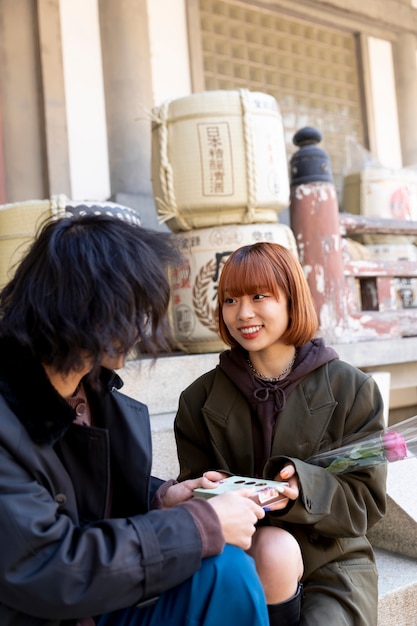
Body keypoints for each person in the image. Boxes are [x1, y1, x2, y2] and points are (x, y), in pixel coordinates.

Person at [0, 203, 270, 626]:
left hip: (96, 603)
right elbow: (51, 566)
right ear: (85, 309)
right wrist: (198, 525)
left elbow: (80, 498)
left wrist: (159, 498)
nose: (142, 328)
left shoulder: (90, 392)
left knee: (226, 572)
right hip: (42, 609)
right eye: (133, 308)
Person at [174, 241, 387, 626]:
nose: (244, 313)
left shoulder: (352, 389)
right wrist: (205, 487)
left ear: (292, 299)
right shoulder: (198, 399)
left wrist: (299, 491)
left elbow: (365, 502)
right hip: (240, 557)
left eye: (259, 296)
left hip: (330, 563)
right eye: (230, 300)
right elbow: (190, 493)